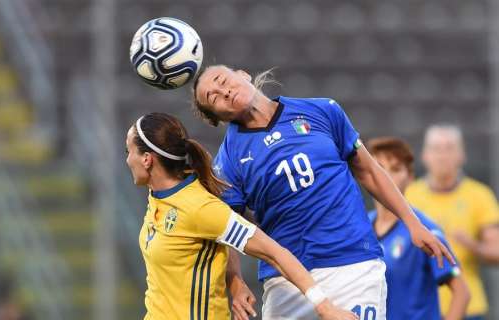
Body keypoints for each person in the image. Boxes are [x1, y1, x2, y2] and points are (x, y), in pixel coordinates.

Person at [191, 65, 455, 320]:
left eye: (223, 81)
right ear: (216, 118)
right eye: (212, 97)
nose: (223, 92)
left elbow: (369, 170)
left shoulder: (321, 110)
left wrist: (413, 223)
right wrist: (235, 282)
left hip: (353, 262)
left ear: (243, 74)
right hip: (285, 280)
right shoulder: (228, 162)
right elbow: (226, 229)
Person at [125, 112, 358, 320]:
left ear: (147, 159)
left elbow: (274, 253)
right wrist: (235, 281)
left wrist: (325, 307)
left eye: (129, 152)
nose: (127, 159)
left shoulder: (200, 207)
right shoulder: (158, 195)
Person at [367, 136, 470, 320]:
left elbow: (461, 293)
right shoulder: (361, 227)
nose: (386, 176)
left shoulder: (424, 230)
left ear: (410, 177)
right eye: (379, 168)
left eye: (395, 169)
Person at [406, 124, 499, 320]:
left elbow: (496, 252)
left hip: (469, 309)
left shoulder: (480, 195)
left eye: (449, 148)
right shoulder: (409, 196)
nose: (442, 155)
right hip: (421, 308)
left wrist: (472, 245)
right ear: (425, 155)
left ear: (461, 155)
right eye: (436, 148)